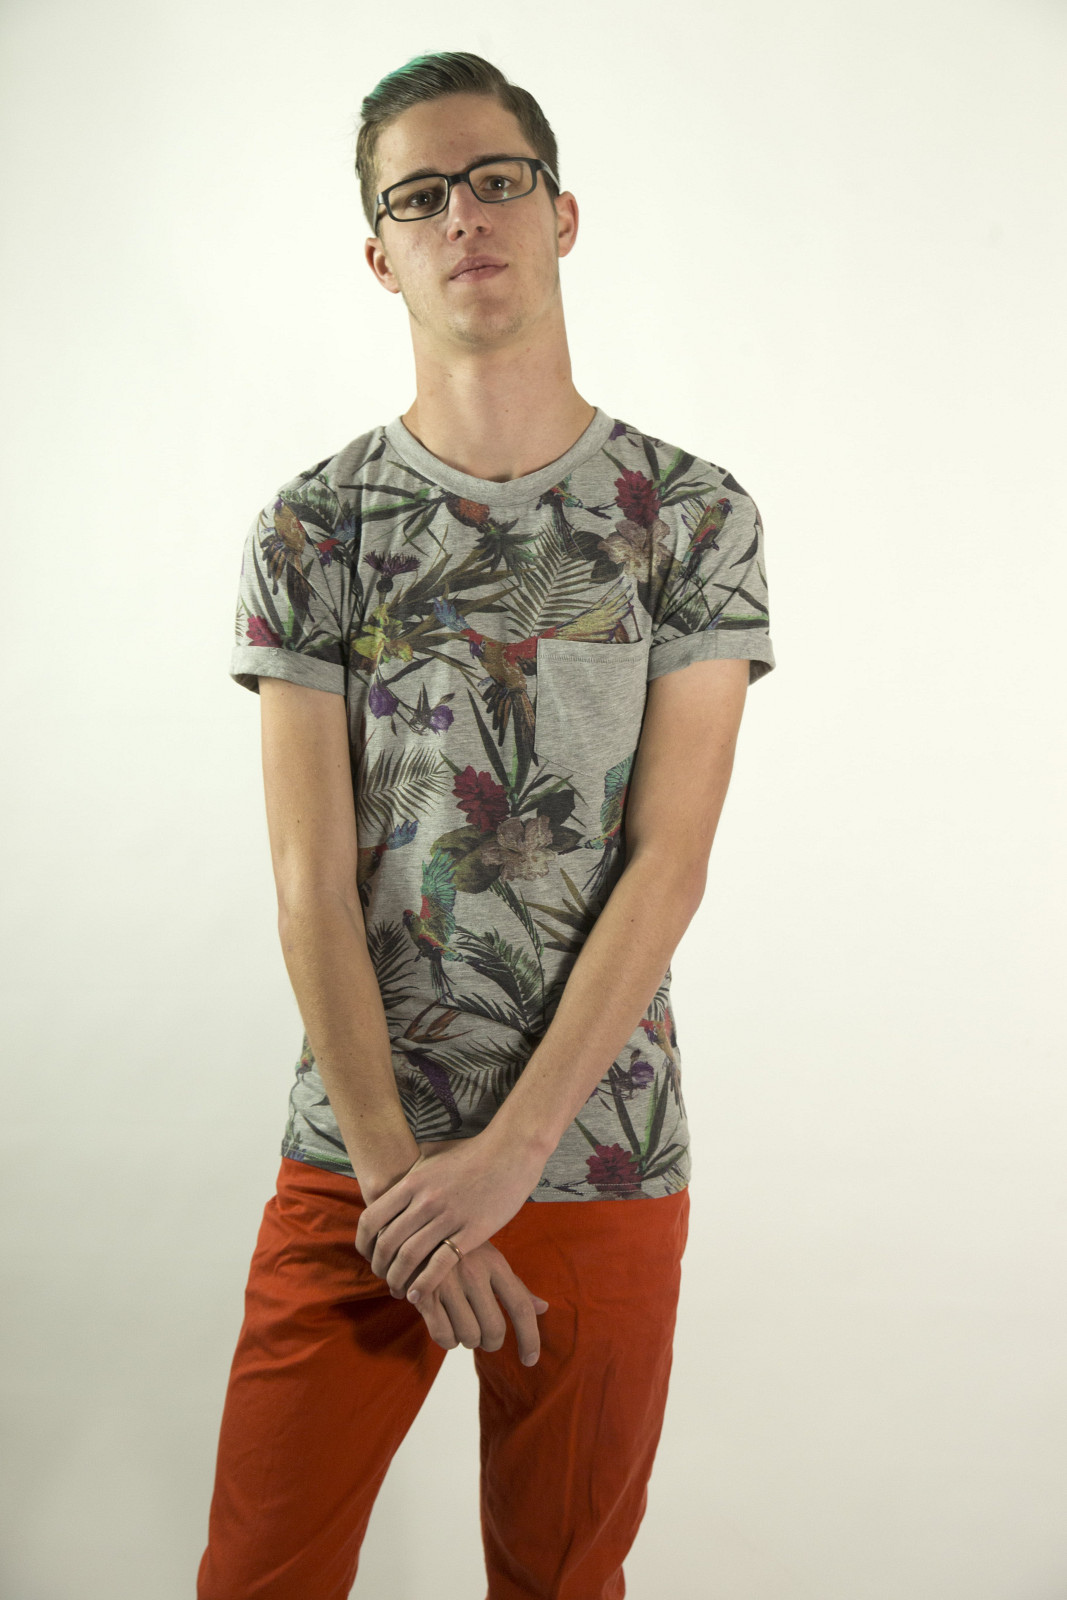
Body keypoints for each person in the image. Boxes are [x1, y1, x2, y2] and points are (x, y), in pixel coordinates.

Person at [197, 49, 775, 1600]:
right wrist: (410, 1195)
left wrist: (511, 1159)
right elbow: (312, 885)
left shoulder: (692, 517)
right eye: (421, 196)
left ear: (561, 213)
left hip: (597, 1153)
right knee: (257, 1577)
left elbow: (669, 862)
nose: (464, 215)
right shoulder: (313, 529)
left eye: (496, 179)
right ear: (378, 253)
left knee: (563, 1585)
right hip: (361, 1167)